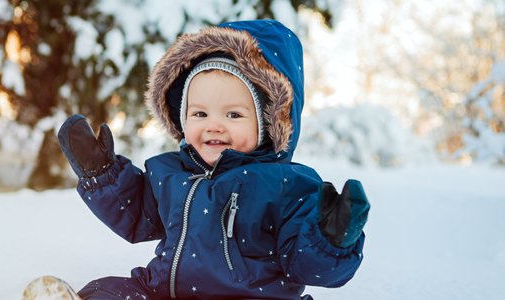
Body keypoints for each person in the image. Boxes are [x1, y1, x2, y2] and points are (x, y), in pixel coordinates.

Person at [34, 19, 370, 300]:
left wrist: (331, 239)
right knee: (107, 291)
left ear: (270, 123)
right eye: (200, 112)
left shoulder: (285, 185)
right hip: (165, 292)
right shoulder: (170, 171)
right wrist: (103, 174)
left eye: (234, 114)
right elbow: (136, 214)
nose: (213, 125)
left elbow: (306, 264)